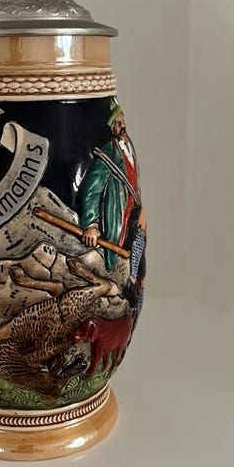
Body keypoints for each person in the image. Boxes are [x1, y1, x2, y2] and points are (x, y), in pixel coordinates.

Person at [80, 97, 146, 311]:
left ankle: (134, 290)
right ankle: (128, 289)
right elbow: (92, 189)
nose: (120, 126)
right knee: (129, 262)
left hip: (135, 215)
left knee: (140, 264)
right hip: (120, 218)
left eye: (121, 120)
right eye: (115, 124)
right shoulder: (109, 152)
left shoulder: (130, 146)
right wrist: (91, 224)